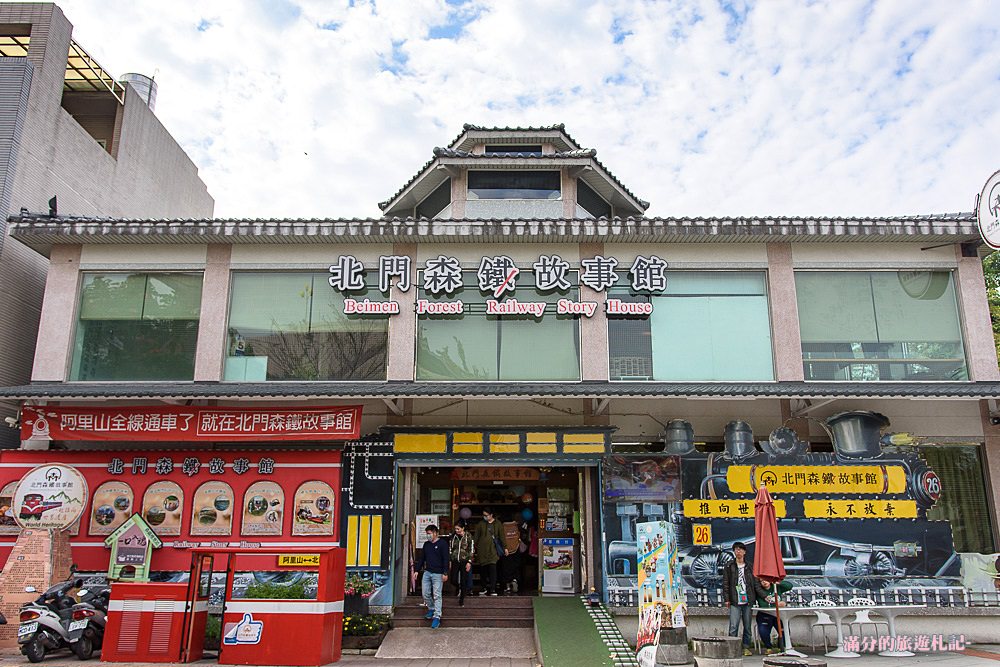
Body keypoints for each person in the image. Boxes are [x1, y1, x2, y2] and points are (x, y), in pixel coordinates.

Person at [722, 541, 755, 656]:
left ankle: (746, 647)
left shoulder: (750, 566)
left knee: (747, 626)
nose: (738, 551)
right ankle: (732, 648)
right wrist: (727, 598)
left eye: (740, 549)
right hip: (735, 599)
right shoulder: (729, 565)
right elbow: (726, 583)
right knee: (733, 625)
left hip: (748, 599)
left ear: (744, 552)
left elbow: (754, 583)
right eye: (736, 549)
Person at [414, 524, 449, 628]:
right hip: (427, 572)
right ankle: (431, 608)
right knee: (425, 593)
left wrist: (445, 572)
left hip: (438, 573)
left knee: (437, 595)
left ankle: (437, 617)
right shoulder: (426, 545)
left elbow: (446, 559)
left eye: (429, 533)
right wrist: (416, 570)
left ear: (435, 533)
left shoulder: (443, 544)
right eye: (427, 534)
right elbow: (422, 558)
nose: (428, 536)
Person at [753, 577, 793, 655]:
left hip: (778, 613)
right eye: (762, 581)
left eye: (766, 579)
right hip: (765, 614)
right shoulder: (759, 591)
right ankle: (768, 647)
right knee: (763, 631)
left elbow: (789, 586)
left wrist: (779, 582)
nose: (764, 582)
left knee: (784, 629)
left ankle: (781, 646)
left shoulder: (776, 587)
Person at [473, 508, 504, 595]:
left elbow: (502, 537)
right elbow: (476, 537)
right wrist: (473, 547)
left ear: (491, 515)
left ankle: (493, 589)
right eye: (484, 515)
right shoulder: (480, 524)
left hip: (493, 550)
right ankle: (483, 587)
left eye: (486, 515)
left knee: (493, 569)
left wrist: (505, 547)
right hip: (482, 550)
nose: (485, 517)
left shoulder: (498, 524)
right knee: (483, 570)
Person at [449, 519, 475, 605]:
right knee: (453, 579)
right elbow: (450, 549)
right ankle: (458, 587)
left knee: (464, 580)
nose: (456, 531)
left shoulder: (468, 536)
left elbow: (471, 549)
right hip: (455, 560)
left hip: (464, 560)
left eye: (458, 529)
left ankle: (461, 599)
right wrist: (450, 560)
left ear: (463, 528)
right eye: (455, 529)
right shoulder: (453, 537)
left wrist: (469, 561)